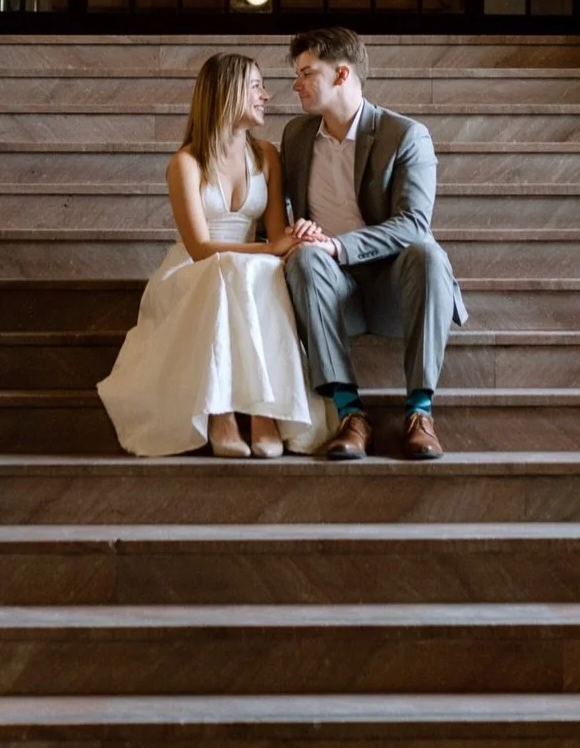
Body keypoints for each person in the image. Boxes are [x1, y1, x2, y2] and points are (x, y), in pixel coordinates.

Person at [97, 52, 332, 458]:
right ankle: (220, 414)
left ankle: (264, 413)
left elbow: (276, 233)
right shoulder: (186, 163)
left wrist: (300, 234)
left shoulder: (267, 156)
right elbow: (199, 248)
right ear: (227, 93)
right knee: (230, 270)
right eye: (256, 86)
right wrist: (268, 248)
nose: (266, 95)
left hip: (248, 267)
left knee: (258, 271)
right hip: (194, 271)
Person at [281, 26, 466, 460]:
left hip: (394, 289)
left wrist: (338, 246)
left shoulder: (404, 135)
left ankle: (420, 413)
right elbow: (277, 209)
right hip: (329, 288)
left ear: (342, 74)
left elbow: (413, 224)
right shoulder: (296, 136)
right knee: (304, 259)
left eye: (307, 73)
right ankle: (350, 414)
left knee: (428, 254)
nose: (295, 85)